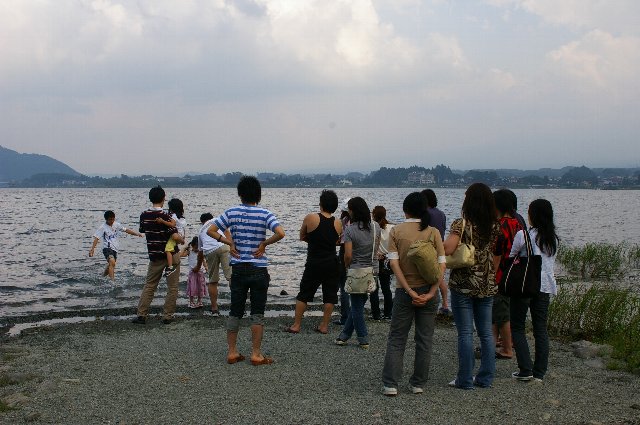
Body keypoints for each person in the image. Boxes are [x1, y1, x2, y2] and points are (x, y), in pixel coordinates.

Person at [207, 176, 285, 366]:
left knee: (235, 311)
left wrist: (229, 242)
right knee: (257, 312)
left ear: (240, 194)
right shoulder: (265, 213)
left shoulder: (232, 212)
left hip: (238, 269)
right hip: (258, 269)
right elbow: (280, 233)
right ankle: (256, 354)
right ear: (258, 194)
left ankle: (232, 352)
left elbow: (211, 230)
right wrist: (264, 244)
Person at [381, 192, 446, 396]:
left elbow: (394, 264)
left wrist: (409, 290)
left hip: (404, 292)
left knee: (397, 337)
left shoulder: (397, 231)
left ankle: (391, 384)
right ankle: (418, 383)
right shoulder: (433, 232)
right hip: (429, 291)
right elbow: (442, 265)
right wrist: (432, 292)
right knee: (424, 339)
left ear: (405, 209)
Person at [444, 183, 500, 389]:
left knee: (465, 333)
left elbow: (449, 248)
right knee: (486, 333)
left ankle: (465, 379)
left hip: (464, 283)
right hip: (487, 282)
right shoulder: (494, 225)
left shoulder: (462, 224)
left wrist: (435, 245)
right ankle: (485, 378)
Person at [510, 199, 559, 382]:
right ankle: (539, 373)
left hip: (525, 285)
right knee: (540, 329)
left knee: (517, 326)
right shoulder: (553, 238)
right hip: (545, 286)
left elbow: (512, 256)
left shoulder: (523, 235)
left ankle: (525, 369)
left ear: (533, 215)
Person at [285, 190, 342, 334]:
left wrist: (313, 241)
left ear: (321, 203)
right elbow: (336, 242)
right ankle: (324, 326)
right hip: (332, 262)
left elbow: (302, 236)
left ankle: (296, 325)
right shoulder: (338, 222)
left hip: (314, 262)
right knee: (330, 295)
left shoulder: (311, 217)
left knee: (304, 293)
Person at [133, 186, 184, 325]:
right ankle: (167, 316)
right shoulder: (167, 216)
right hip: (171, 255)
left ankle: (141, 315)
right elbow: (174, 235)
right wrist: (182, 240)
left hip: (154, 255)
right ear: (163, 198)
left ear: (150, 199)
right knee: (172, 287)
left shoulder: (144, 215)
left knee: (150, 285)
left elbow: (142, 230)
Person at [334, 197, 380, 349]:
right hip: (372, 270)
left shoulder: (350, 229)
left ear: (353, 211)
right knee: (358, 305)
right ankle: (344, 336)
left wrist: (347, 266)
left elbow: (348, 255)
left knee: (356, 307)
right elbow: (376, 250)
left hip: (356, 270)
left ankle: (363, 338)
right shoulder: (376, 227)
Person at [492, 189, 524, 360]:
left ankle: (506, 349)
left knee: (501, 314)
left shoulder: (500, 226)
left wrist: (491, 275)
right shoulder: (518, 224)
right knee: (504, 311)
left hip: (501, 275)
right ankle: (495, 343)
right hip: (515, 273)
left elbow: (497, 254)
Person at [89, 210, 143, 280]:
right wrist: (92, 249)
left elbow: (126, 230)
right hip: (107, 248)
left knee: (111, 264)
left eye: (113, 219)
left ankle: (102, 277)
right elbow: (96, 238)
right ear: (106, 219)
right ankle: (112, 282)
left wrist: (137, 234)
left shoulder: (116, 224)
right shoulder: (102, 227)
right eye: (110, 219)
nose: (112, 221)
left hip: (115, 249)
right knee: (112, 262)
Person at [197, 212, 232, 316]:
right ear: (211, 218)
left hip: (209, 251)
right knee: (231, 277)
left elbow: (200, 253)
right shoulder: (216, 220)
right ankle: (237, 306)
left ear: (202, 222)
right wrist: (232, 246)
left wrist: (198, 267)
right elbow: (227, 233)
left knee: (213, 281)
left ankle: (214, 309)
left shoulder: (200, 230)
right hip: (223, 246)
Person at [421, 189, 449, 315]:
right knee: (440, 277)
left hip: (428, 248)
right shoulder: (441, 214)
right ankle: (445, 303)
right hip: (440, 247)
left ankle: (426, 300)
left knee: (426, 276)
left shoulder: (425, 213)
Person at [370, 205, 394, 321]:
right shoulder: (392, 228)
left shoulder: (372, 227)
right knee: (386, 288)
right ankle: (388, 313)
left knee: (374, 288)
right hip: (387, 260)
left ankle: (376, 314)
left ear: (374, 215)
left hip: (375, 259)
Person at [155, 198, 187, 277]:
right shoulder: (182, 218)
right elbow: (183, 228)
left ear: (172, 208)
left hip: (176, 235)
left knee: (168, 249)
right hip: (181, 235)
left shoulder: (173, 216)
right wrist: (183, 239)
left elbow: (172, 225)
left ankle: (170, 267)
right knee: (171, 247)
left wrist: (162, 221)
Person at [333, 199, 352, 325]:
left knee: (344, 286)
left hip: (345, 252)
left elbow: (339, 240)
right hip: (358, 254)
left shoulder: (344, 222)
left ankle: (345, 317)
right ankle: (354, 314)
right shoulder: (362, 223)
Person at [181, 236, 207, 309]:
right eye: (195, 247)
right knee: (192, 287)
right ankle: (191, 301)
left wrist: (206, 267)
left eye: (198, 248)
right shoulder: (189, 251)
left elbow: (203, 260)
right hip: (192, 273)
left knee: (200, 287)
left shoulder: (200, 252)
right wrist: (184, 248)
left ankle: (199, 301)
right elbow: (181, 255)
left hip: (200, 272)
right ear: (192, 245)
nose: (197, 249)